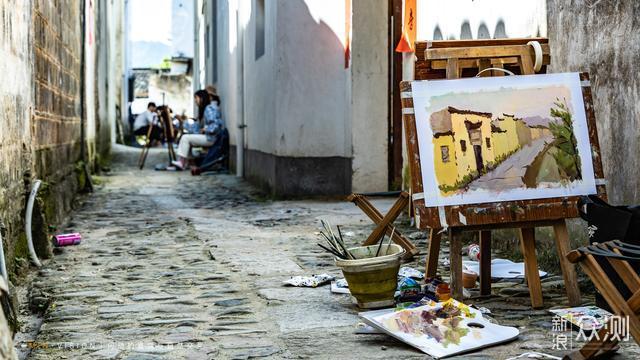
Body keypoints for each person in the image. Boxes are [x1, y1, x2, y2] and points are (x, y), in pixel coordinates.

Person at [172, 90, 225, 170]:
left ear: (202, 98)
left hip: (211, 138)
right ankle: (189, 163)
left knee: (186, 138)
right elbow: (196, 128)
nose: (195, 101)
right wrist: (182, 122)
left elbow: (216, 125)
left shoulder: (209, 108)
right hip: (208, 137)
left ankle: (182, 162)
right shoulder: (205, 110)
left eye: (196, 98)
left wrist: (205, 129)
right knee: (187, 138)